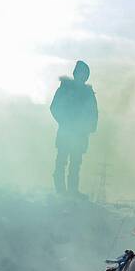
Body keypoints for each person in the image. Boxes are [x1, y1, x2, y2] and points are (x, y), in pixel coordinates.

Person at [49, 60, 98, 195]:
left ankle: (72, 191)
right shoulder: (65, 89)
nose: (82, 76)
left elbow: (93, 113)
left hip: (80, 135)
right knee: (62, 161)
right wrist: (65, 122)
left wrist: (89, 127)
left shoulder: (88, 94)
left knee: (75, 164)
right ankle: (60, 191)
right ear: (76, 73)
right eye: (81, 73)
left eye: (85, 74)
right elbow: (54, 108)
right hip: (66, 132)